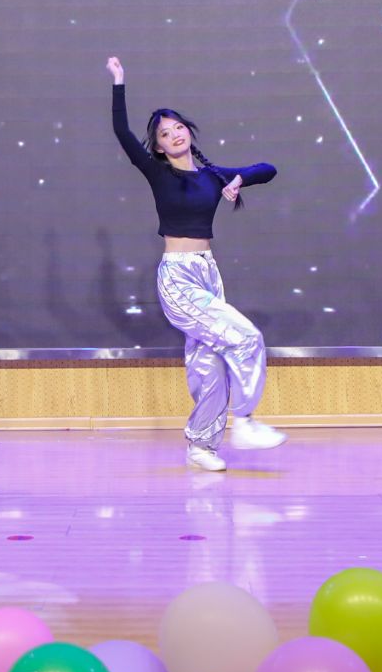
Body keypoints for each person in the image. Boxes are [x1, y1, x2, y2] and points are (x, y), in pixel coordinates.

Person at [108, 56, 285, 471]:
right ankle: (245, 420)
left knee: (210, 366)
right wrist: (119, 82)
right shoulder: (158, 174)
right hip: (178, 277)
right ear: (158, 146)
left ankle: (201, 446)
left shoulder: (212, 176)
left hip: (208, 274)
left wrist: (239, 179)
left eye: (178, 128)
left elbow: (268, 169)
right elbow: (122, 132)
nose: (174, 135)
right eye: (164, 134)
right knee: (246, 337)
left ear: (188, 131)